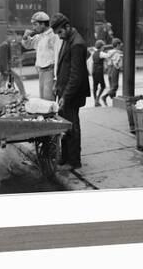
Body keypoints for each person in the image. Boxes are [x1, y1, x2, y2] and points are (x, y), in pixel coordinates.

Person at [51, 12, 90, 168]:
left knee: (72, 126)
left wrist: (65, 96)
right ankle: (65, 156)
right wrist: (56, 84)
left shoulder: (77, 44)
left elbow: (75, 76)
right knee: (64, 125)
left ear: (67, 26)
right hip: (65, 91)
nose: (59, 36)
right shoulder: (68, 38)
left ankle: (74, 160)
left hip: (72, 94)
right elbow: (63, 67)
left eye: (60, 32)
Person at [21, 11, 58, 101]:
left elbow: (58, 56)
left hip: (50, 70)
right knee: (42, 99)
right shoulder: (40, 36)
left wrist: (56, 78)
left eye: (35, 24)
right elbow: (28, 45)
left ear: (43, 24)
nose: (33, 27)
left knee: (48, 99)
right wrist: (25, 37)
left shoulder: (53, 36)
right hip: (41, 70)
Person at [101, 38, 124, 106]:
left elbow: (106, 60)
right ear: (117, 45)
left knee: (112, 86)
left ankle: (113, 100)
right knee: (115, 86)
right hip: (114, 69)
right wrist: (119, 67)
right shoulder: (117, 53)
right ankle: (104, 97)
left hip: (109, 69)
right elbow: (118, 63)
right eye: (120, 45)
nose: (121, 46)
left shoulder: (109, 52)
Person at [91, 40, 110, 107]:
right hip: (99, 71)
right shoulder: (101, 53)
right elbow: (108, 56)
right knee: (103, 86)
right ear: (101, 47)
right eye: (103, 46)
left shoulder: (93, 53)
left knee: (95, 86)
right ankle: (98, 99)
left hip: (94, 70)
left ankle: (95, 100)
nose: (104, 47)